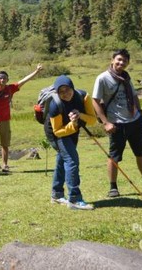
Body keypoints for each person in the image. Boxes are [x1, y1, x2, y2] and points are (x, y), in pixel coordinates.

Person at [92, 49, 142, 197]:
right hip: (117, 124)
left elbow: (134, 94)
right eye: (118, 60)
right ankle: (113, 188)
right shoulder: (102, 78)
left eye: (124, 61)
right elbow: (95, 101)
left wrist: (139, 111)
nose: (121, 63)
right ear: (112, 60)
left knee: (141, 153)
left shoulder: (126, 77)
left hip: (135, 121)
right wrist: (105, 123)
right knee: (114, 156)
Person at [46, 75, 96, 210]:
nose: (65, 94)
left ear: (73, 88)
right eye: (61, 91)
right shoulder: (54, 105)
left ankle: (56, 195)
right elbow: (57, 131)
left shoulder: (83, 97)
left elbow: (92, 120)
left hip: (72, 130)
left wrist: (80, 115)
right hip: (56, 133)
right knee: (72, 161)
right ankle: (74, 199)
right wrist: (73, 125)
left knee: (63, 159)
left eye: (67, 89)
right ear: (57, 92)